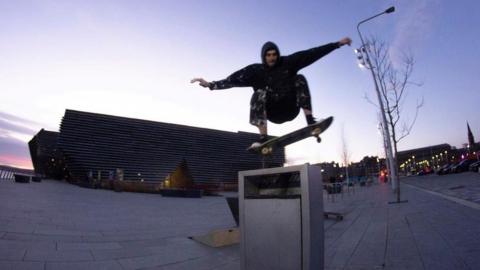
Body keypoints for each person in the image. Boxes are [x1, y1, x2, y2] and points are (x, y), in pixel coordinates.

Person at [191, 37, 352, 149]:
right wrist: (211, 85)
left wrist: (337, 44)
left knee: (300, 78)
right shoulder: (255, 71)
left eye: (274, 54)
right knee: (258, 93)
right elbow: (233, 80)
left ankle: (310, 120)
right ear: (264, 56)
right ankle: (263, 139)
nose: (272, 58)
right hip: (273, 113)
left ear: (278, 54)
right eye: (268, 55)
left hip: (291, 107)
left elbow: (312, 53)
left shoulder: (288, 62)